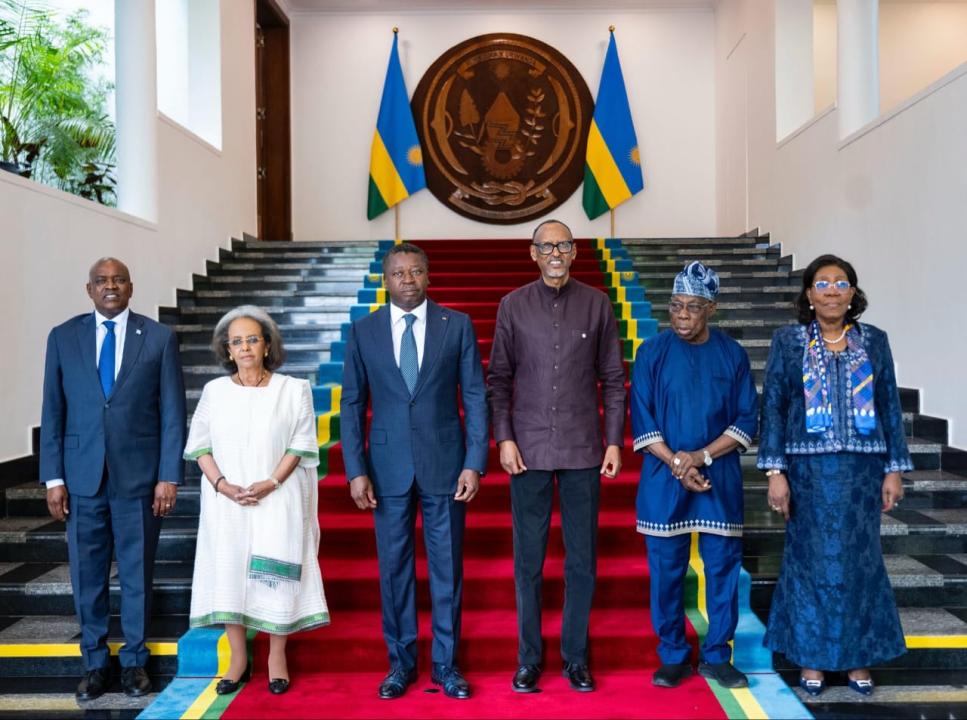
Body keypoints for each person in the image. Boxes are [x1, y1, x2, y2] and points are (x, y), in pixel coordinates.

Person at [758, 254, 911, 697]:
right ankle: (813, 657)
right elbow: (775, 406)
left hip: (863, 472)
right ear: (808, 293)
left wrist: (894, 470)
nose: (831, 290)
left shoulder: (874, 341)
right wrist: (774, 471)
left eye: (840, 282)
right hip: (806, 472)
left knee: (860, 564)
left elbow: (889, 408)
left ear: (852, 293)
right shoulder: (788, 342)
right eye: (821, 283)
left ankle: (858, 656)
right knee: (811, 565)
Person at [340, 242, 488, 700]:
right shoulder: (363, 331)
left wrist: (474, 461)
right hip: (385, 470)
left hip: (445, 466)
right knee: (394, 570)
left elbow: (476, 396)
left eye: (416, 271)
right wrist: (354, 470)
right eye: (398, 273)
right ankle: (400, 664)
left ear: (428, 277)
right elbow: (352, 404)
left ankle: (446, 666)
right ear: (385, 280)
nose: (408, 279)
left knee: (447, 570)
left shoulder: (456, 325)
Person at [487, 219, 625, 694]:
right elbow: (499, 380)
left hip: (583, 449)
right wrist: (504, 438)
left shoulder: (597, 304)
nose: (555, 252)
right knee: (528, 562)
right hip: (526, 451)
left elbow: (612, 378)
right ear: (532, 253)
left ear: (574, 251)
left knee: (581, 561)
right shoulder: (512, 306)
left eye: (563, 245)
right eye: (546, 246)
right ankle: (528, 660)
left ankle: (576, 658)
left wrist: (612, 441)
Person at [40, 257, 186, 701]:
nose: (110, 286)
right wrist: (53, 478)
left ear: (131, 287)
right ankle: (94, 664)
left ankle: (136, 664)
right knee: (88, 577)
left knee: (138, 574)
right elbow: (52, 412)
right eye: (102, 281)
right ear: (89, 290)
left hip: (139, 480)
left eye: (118, 280)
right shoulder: (63, 338)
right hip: (82, 479)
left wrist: (168, 476)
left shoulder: (158, 338)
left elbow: (172, 415)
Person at [184, 305, 328, 696]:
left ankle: (276, 656)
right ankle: (238, 659)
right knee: (230, 573)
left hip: (276, 497)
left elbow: (300, 444)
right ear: (227, 350)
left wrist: (270, 482)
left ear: (267, 345)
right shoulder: (215, 392)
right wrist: (223, 486)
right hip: (227, 503)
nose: (245, 347)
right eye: (237, 342)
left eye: (252, 339)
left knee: (274, 574)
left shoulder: (292, 390)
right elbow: (200, 447)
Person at [630, 261, 759, 690]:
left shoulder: (732, 354)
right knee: (666, 571)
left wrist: (700, 456)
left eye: (692, 307)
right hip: (663, 477)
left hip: (717, 478)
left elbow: (746, 419)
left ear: (712, 309)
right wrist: (676, 462)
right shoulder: (651, 352)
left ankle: (718, 656)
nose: (682, 315)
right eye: (675, 306)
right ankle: (672, 655)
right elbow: (643, 417)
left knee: (723, 568)